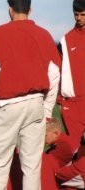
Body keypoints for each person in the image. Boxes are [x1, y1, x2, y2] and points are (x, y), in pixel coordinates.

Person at [0, 0, 61, 189]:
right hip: (36, 104)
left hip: (6, 103)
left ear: (10, 10)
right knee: (32, 166)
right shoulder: (44, 34)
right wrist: (47, 109)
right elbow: (54, 73)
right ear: (30, 10)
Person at [57, 0, 85, 146]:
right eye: (76, 14)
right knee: (77, 149)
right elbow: (56, 72)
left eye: (82, 14)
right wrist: (60, 101)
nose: (79, 18)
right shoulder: (65, 41)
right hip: (72, 105)